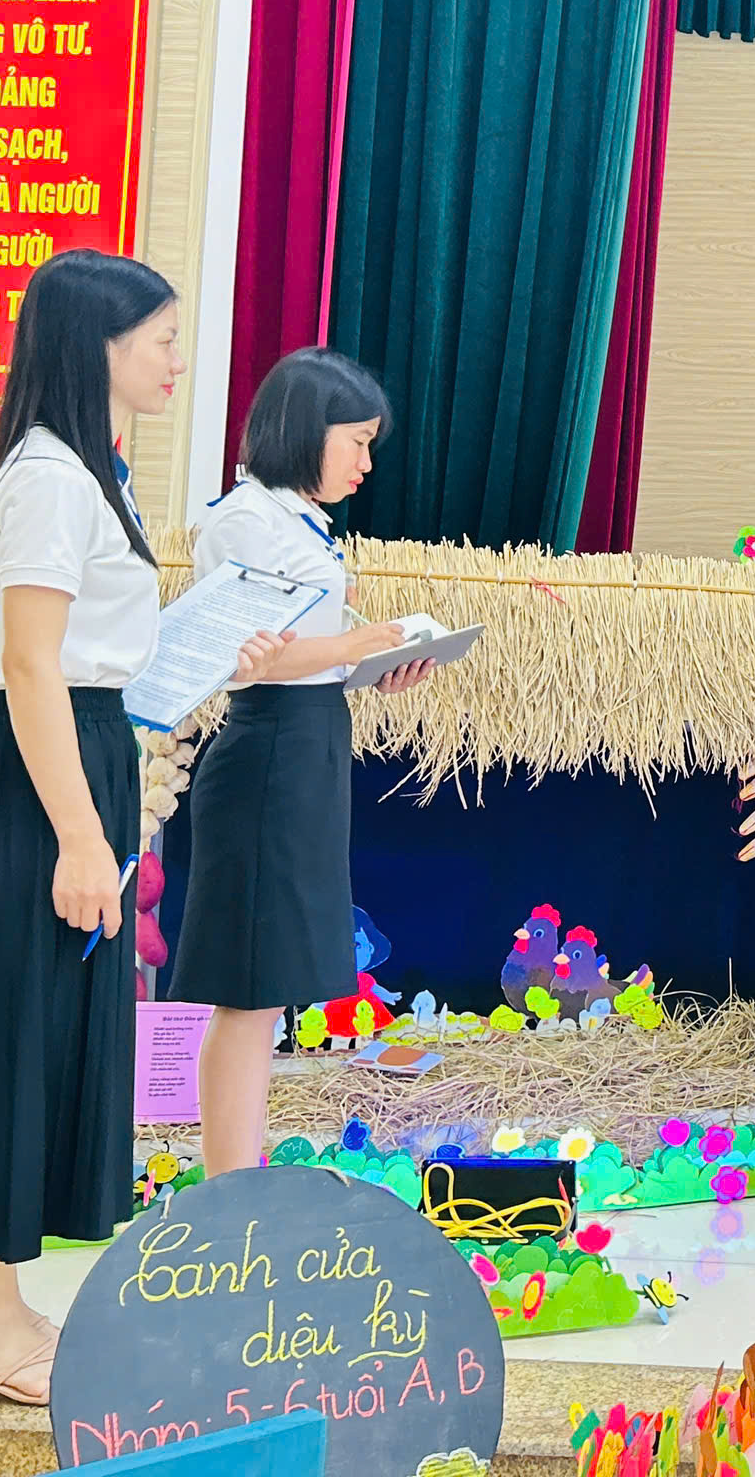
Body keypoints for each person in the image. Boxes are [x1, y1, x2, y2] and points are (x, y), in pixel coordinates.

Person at [0, 250, 280, 1405]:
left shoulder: (87, 475)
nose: (177, 360)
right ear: (98, 344)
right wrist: (75, 836)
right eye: (161, 339)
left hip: (80, 761)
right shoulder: (51, 481)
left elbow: (88, 661)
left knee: (42, 1033)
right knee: (7, 1035)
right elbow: (30, 667)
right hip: (38, 783)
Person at [168, 349, 434, 1178]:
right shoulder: (245, 519)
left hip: (312, 741)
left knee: (272, 984)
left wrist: (375, 666)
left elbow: (307, 654)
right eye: (357, 441)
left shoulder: (301, 520)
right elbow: (247, 658)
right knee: (247, 989)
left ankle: (240, 1175)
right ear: (304, 430)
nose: (365, 464)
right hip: (268, 752)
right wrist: (359, 643)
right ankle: (229, 1186)